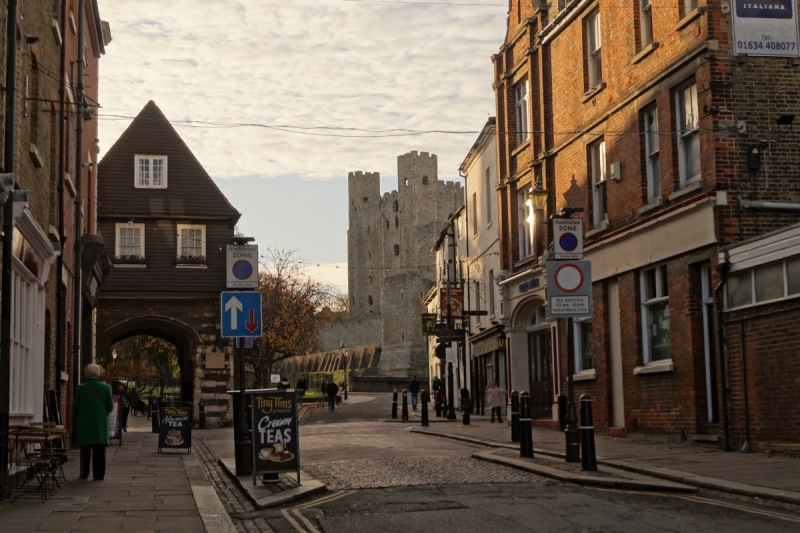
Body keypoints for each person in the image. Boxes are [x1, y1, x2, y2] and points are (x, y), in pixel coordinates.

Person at [73, 364, 113, 480]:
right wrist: (101, 413)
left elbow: (75, 407)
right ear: (98, 373)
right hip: (99, 421)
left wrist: (81, 416)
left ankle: (84, 473)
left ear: (86, 373)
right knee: (99, 450)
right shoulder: (105, 388)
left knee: (85, 449)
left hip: (84, 421)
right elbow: (109, 406)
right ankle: (98, 475)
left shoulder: (80, 388)